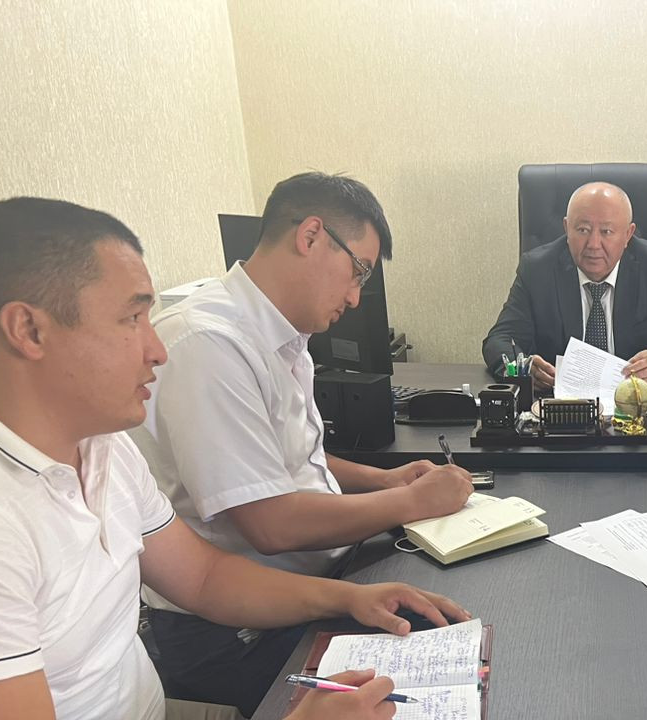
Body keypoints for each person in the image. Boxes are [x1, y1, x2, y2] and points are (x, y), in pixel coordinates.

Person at [0, 197, 469, 720]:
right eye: (132, 318)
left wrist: (350, 598)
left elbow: (203, 577)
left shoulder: (99, 444)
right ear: (29, 330)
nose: (157, 350)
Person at [126, 172, 474, 714]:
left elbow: (288, 459)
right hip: (237, 634)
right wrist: (409, 502)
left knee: (459, 638)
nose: (355, 297)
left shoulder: (284, 335)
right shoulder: (208, 344)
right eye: (358, 271)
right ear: (311, 236)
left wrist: (382, 480)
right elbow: (272, 524)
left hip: (316, 584)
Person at [481, 181, 647, 387]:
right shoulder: (537, 269)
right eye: (583, 230)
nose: (593, 244)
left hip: (634, 403)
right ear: (566, 228)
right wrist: (522, 369)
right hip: (559, 406)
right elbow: (499, 341)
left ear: (628, 234)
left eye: (606, 231)